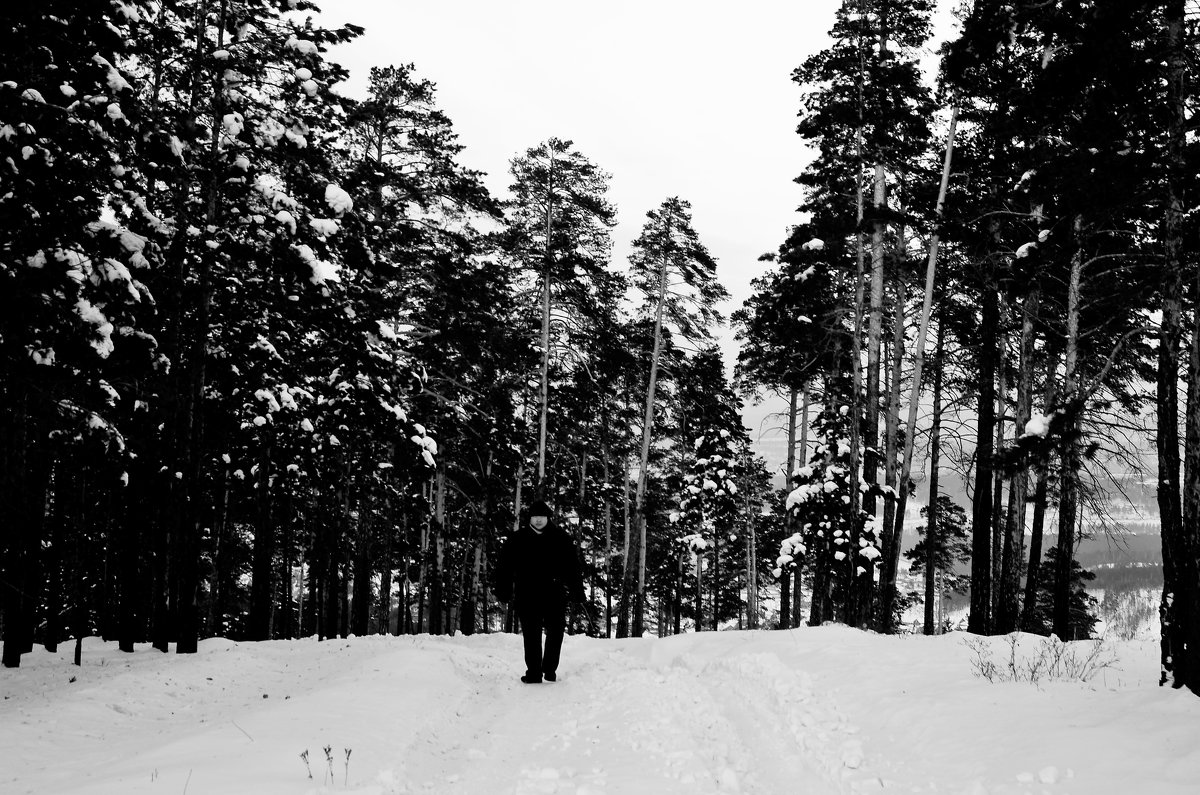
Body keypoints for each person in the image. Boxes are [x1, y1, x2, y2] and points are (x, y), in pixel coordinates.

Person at [494, 499, 586, 684]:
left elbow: (572, 567)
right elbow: (504, 566)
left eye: (541, 517)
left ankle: (549, 669)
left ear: (548, 518)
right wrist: (503, 590)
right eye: (535, 516)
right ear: (530, 518)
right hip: (527, 593)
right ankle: (534, 672)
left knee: (556, 632)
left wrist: (577, 591)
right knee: (531, 634)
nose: (538, 520)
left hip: (554, 593)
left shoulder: (561, 538)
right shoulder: (517, 539)